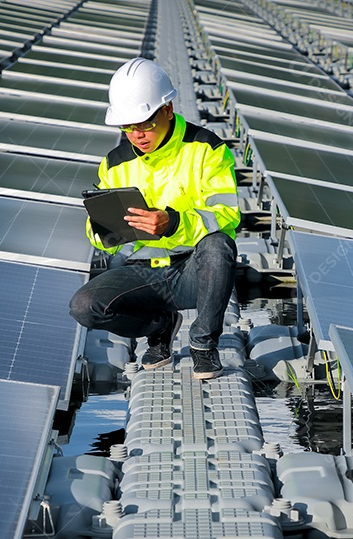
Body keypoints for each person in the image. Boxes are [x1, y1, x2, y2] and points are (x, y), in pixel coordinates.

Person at [68, 57, 240, 381]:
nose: (137, 134)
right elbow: (95, 233)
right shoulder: (114, 164)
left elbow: (226, 214)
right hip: (142, 274)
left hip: (194, 271)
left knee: (220, 247)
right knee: (83, 305)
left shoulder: (207, 149)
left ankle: (203, 345)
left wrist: (173, 223)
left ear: (168, 109)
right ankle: (160, 326)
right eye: (127, 126)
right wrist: (104, 227)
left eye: (144, 122)